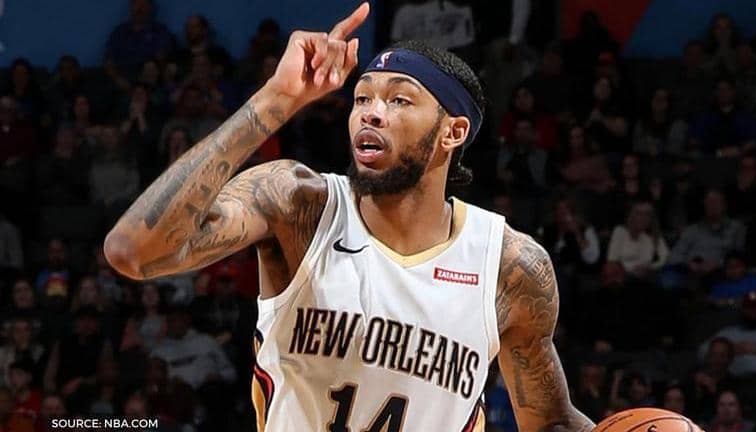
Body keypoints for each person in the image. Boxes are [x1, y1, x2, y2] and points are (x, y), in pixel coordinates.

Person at [104, 3, 593, 431]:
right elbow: (133, 252)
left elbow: (551, 422)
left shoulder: (509, 266)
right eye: (362, 98)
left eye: (399, 99)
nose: (371, 113)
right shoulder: (298, 204)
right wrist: (277, 99)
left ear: (453, 132)